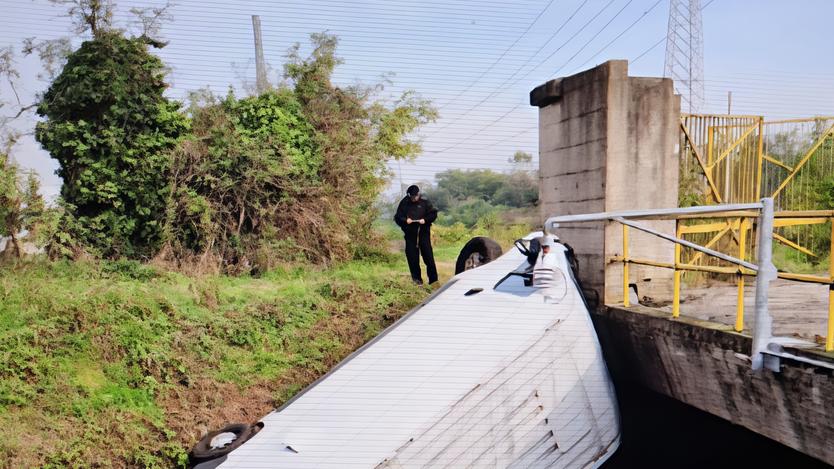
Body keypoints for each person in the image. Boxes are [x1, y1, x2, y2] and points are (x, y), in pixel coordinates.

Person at [394, 185, 438, 285]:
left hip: (423, 233)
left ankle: (434, 281)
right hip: (410, 235)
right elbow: (398, 217)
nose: (414, 198)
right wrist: (405, 220)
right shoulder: (404, 203)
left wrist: (425, 220)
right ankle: (417, 281)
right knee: (412, 258)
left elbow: (433, 214)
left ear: (418, 194)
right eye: (412, 197)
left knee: (428, 257)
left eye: (415, 196)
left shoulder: (425, 201)